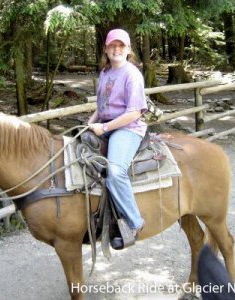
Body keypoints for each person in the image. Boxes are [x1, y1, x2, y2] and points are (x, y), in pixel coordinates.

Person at [87, 28, 147, 239]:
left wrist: (103, 128)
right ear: (106, 49)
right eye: (112, 45)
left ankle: (134, 222)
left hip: (127, 128)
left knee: (114, 171)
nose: (116, 49)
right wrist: (90, 122)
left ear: (128, 49)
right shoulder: (105, 72)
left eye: (121, 46)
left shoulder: (132, 75)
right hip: (104, 124)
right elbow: (101, 104)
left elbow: (135, 112)